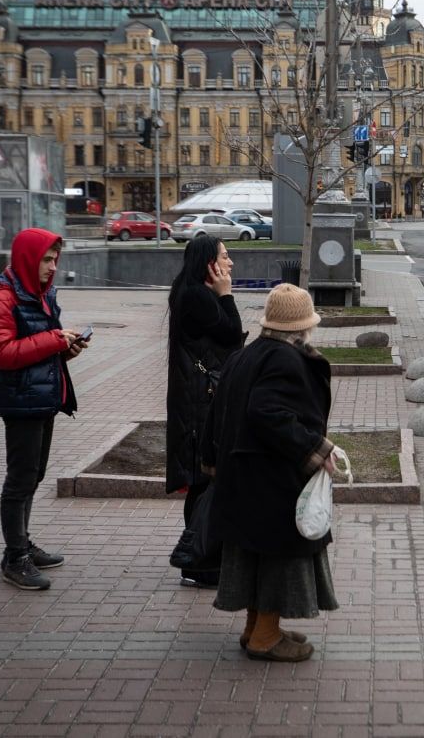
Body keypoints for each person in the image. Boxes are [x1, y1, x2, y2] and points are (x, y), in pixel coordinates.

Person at [206, 283, 342, 662]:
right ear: (303, 326)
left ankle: (256, 629)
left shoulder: (246, 356)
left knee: (257, 554)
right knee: (278, 556)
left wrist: (211, 462)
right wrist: (315, 448)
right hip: (270, 481)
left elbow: (216, 414)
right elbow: (267, 413)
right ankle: (265, 637)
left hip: (243, 479)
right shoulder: (284, 360)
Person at [0, 228, 86, 591]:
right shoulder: (0, 298)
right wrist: (54, 340)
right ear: (28, 258)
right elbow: (1, 352)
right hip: (20, 399)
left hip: (42, 396)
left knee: (35, 475)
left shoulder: (40, 293)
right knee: (20, 479)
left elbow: (38, 344)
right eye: (46, 259)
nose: (52, 267)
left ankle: (23, 543)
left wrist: (65, 348)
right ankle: (14, 557)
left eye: (56, 260)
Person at [166, 235, 245, 588]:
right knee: (203, 480)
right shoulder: (198, 296)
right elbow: (231, 336)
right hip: (200, 399)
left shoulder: (190, 291)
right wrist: (226, 295)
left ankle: (201, 557)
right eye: (225, 257)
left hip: (197, 395)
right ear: (209, 264)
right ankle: (196, 560)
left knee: (204, 479)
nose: (230, 264)